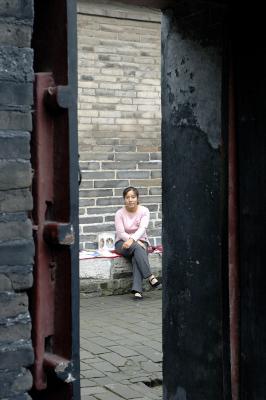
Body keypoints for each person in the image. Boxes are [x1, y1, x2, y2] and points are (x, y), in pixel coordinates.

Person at [114, 186, 160, 300]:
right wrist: (131, 240)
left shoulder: (144, 211)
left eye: (133, 197)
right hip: (122, 243)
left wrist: (133, 240)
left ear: (137, 198)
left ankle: (137, 290)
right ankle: (150, 276)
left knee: (137, 255)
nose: (130, 200)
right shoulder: (119, 213)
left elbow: (142, 228)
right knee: (139, 248)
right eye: (127, 197)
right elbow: (120, 232)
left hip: (141, 240)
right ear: (124, 199)